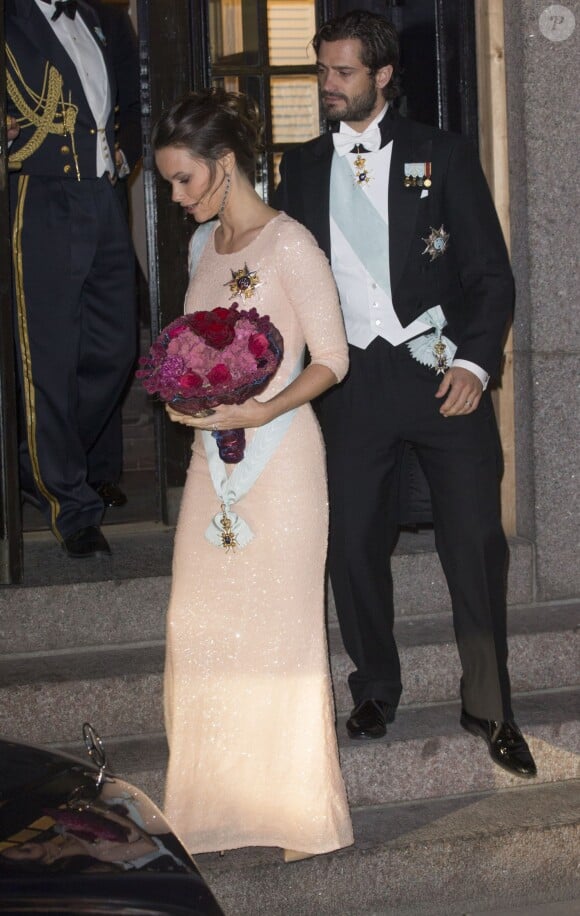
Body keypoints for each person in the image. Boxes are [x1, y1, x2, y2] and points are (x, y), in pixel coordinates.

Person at [275, 10, 537, 779]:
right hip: (352, 380)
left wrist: (477, 367)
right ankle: (376, 689)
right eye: (322, 71)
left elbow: (490, 277)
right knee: (353, 543)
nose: (328, 85)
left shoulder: (444, 155)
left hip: (442, 371)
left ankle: (491, 704)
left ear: (383, 76)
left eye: (343, 73)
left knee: (475, 546)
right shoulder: (299, 168)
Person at [153, 88, 353, 860]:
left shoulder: (291, 246)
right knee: (195, 627)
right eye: (171, 183)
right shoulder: (205, 251)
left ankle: (295, 813)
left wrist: (260, 413)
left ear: (224, 165)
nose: (176, 198)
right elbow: (191, 351)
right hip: (215, 461)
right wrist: (185, 396)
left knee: (280, 635)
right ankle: (209, 811)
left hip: (281, 460)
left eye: (184, 181)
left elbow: (333, 359)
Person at [6, 0, 141, 557]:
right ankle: (69, 506)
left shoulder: (106, 18)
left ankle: (36, 461)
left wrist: (125, 153)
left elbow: (130, 105)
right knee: (48, 355)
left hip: (104, 194)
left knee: (116, 349)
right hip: (39, 194)